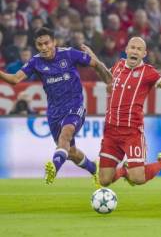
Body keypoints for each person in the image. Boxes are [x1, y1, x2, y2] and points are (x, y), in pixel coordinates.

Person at [82, 37, 161, 187]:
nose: (135, 51)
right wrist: (93, 59)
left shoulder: (148, 73)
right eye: (132, 47)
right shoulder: (118, 66)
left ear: (144, 54)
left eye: (139, 49)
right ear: (126, 50)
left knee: (138, 178)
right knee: (104, 180)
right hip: (111, 131)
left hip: (131, 132)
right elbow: (107, 79)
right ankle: (125, 170)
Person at [0, 27, 112, 187]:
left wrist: (109, 81)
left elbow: (95, 64)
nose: (44, 47)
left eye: (47, 43)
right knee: (70, 152)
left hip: (75, 105)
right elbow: (15, 79)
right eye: (40, 45)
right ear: (36, 45)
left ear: (54, 42)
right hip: (54, 112)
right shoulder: (35, 62)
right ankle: (94, 169)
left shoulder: (69, 54)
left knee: (65, 135)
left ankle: (54, 167)